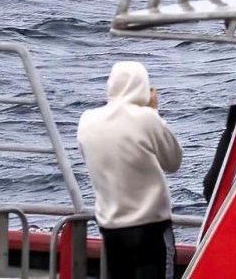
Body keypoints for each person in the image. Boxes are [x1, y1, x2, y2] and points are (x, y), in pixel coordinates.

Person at [77, 62, 183, 279]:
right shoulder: (146, 119)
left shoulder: (87, 120)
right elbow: (173, 161)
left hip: (111, 227)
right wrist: (154, 113)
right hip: (150, 227)